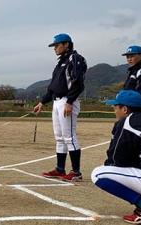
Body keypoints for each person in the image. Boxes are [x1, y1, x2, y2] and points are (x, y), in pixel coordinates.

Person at [34, 33, 87, 181]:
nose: (55, 48)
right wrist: (42, 102)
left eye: (57, 45)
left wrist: (70, 101)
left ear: (67, 45)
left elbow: (78, 83)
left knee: (69, 136)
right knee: (59, 138)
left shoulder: (74, 59)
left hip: (67, 101)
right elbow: (53, 87)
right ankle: (60, 169)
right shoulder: (60, 62)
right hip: (57, 101)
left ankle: (76, 172)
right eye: (54, 46)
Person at [91, 90, 141, 224]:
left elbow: (117, 157)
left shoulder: (128, 121)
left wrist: (110, 164)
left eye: (116, 107)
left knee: (99, 174)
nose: (114, 110)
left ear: (125, 109)